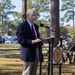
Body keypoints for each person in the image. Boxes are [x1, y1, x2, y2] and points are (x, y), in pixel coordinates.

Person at [16, 9, 43, 75]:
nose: (34, 17)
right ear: (27, 16)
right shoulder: (22, 26)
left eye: (35, 15)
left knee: (33, 72)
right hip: (28, 52)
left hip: (36, 51)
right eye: (32, 15)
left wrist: (41, 39)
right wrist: (32, 41)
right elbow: (20, 39)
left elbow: (36, 38)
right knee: (27, 72)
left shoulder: (36, 26)